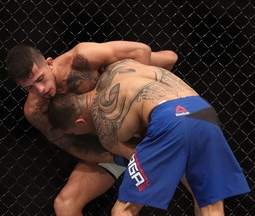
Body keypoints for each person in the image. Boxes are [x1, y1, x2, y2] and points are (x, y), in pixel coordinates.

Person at [47, 59, 250, 216]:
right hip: (202, 110)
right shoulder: (119, 66)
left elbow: (144, 158)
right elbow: (164, 56)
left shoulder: (104, 122)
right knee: (209, 206)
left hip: (169, 119)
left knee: (123, 210)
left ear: (79, 122)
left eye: (75, 133)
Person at [5, 41, 180, 216]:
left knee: (167, 59)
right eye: (29, 87)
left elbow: (141, 50)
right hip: (111, 144)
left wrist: (138, 112)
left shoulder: (81, 58)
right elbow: (72, 145)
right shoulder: (35, 110)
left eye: (40, 79)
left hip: (140, 118)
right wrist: (120, 157)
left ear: (50, 63)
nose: (40, 89)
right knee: (65, 204)